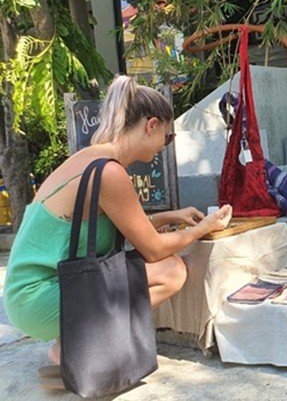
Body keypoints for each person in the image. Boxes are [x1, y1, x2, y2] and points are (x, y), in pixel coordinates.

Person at [3, 75, 232, 367]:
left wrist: (170, 216)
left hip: (29, 295)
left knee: (151, 266)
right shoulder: (110, 173)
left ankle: (72, 342)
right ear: (152, 125)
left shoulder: (91, 159)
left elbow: (112, 226)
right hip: (40, 298)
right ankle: (83, 345)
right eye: (168, 136)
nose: (165, 145)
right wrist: (203, 228)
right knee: (172, 270)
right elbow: (153, 249)